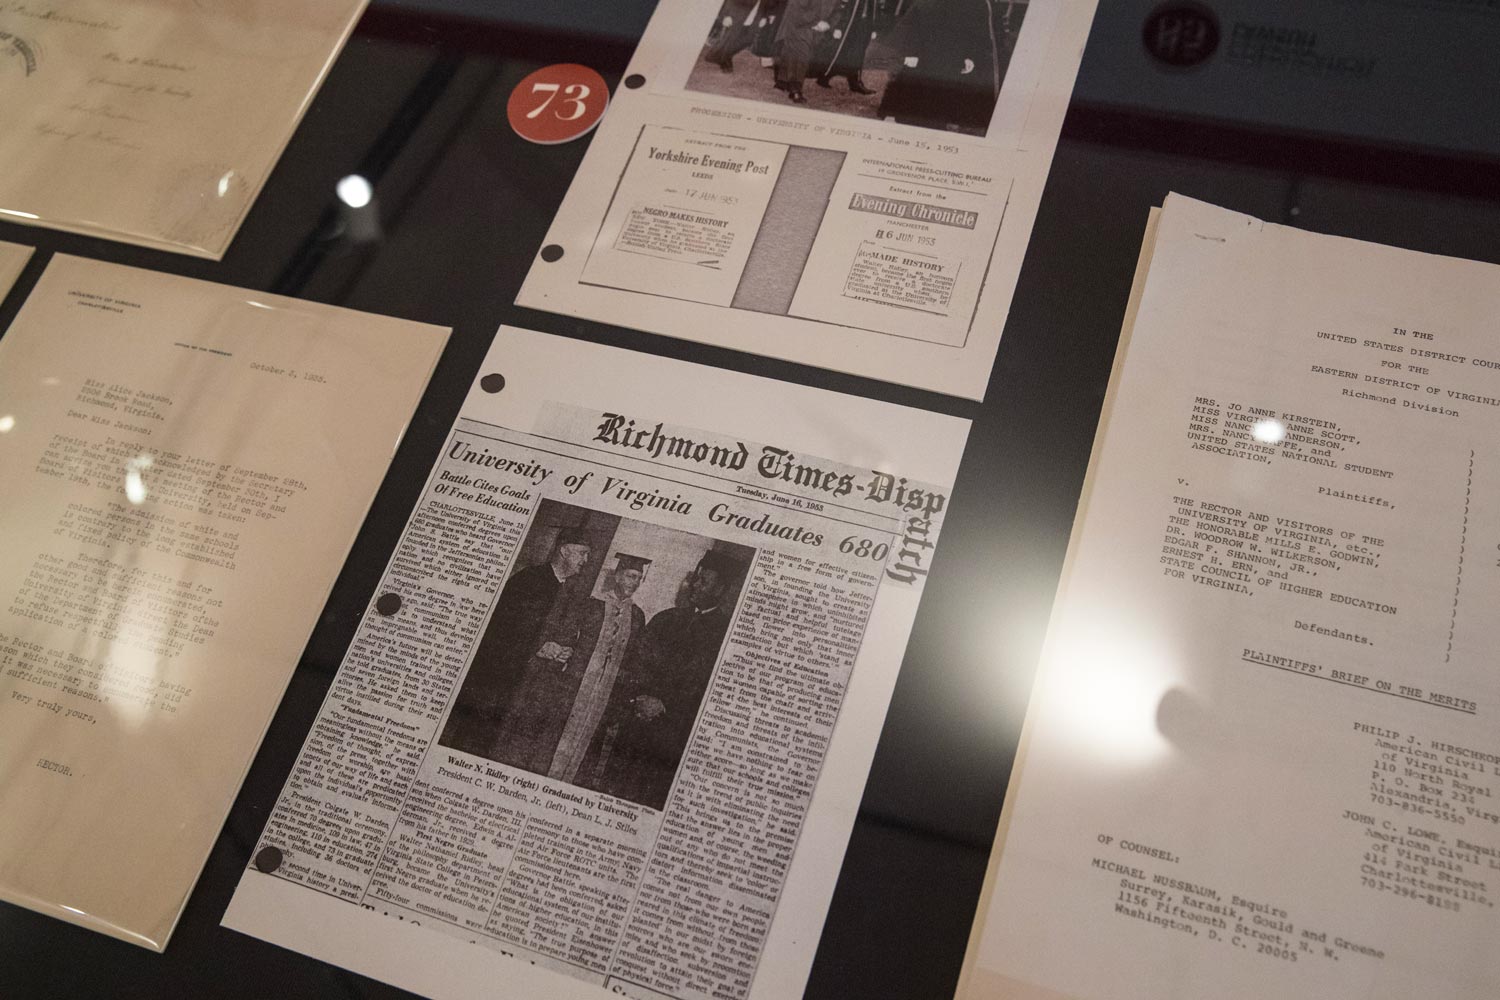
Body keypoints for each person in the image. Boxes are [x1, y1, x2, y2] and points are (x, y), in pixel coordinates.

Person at [583, 549, 745, 810]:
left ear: (720, 590)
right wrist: (637, 699)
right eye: (695, 579)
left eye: (704, 582)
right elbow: (634, 664)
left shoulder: (726, 634)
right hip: (635, 723)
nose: (694, 585)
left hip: (672, 733)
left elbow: (709, 688)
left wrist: (664, 704)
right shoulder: (665, 619)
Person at [486, 553, 650, 780]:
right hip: (575, 686)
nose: (634, 583)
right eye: (631, 576)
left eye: (638, 578)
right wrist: (567, 649)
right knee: (553, 736)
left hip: (603, 693)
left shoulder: (638, 616)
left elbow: (632, 658)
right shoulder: (592, 605)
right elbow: (569, 637)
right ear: (618, 576)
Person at [438, 526, 592, 756]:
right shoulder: (529, 579)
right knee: (474, 742)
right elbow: (500, 629)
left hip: (529, 688)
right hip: (501, 679)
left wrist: (566, 649)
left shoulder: (569, 590)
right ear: (565, 551)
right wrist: (538, 647)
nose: (586, 560)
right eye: (582, 553)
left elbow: (564, 632)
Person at [877, 0, 1015, 134]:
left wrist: (970, 54)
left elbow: (971, 27)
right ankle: (898, 113)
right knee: (917, 77)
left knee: (939, 85)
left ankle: (926, 119)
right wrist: (909, 51)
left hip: (948, 48)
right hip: (927, 45)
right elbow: (912, 23)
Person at [812, 0, 887, 94]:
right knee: (841, 52)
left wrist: (874, 28)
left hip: (865, 26)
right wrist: (839, 27)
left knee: (858, 54)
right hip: (850, 25)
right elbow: (844, 9)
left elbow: (876, 11)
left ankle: (854, 82)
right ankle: (825, 76)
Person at [773, 0, 838, 103]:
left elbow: (838, 9)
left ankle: (782, 81)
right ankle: (795, 89)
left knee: (794, 51)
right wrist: (816, 22)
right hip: (799, 24)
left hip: (818, 27)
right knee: (801, 53)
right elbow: (796, 10)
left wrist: (829, 24)